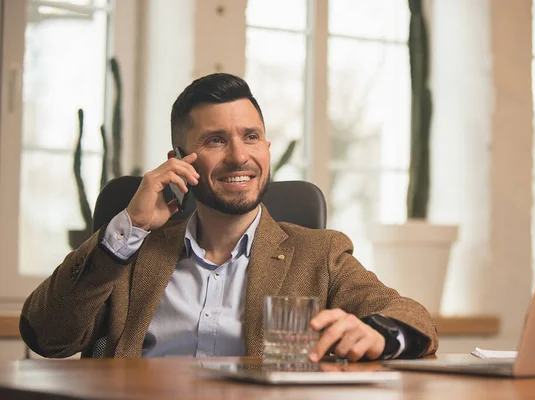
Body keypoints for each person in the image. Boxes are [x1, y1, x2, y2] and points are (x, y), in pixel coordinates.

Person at [20, 73, 438, 361]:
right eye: (216, 140)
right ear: (179, 160)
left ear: (267, 148)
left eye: (251, 137)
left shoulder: (318, 254)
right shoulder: (131, 249)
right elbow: (46, 336)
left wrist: (378, 335)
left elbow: (412, 317)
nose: (240, 156)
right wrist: (129, 228)